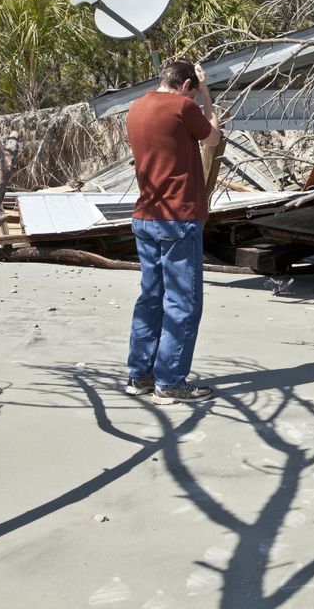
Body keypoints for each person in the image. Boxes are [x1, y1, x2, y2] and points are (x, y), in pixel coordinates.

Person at [124, 59, 222, 403]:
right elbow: (213, 137)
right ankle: (170, 381)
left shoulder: (136, 108)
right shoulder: (183, 105)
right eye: (193, 91)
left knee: (151, 298)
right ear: (185, 85)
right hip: (178, 217)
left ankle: (140, 375)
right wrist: (206, 93)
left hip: (146, 215)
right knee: (183, 302)